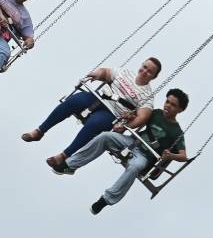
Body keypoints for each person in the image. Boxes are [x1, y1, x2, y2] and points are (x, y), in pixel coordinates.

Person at [51, 89, 189, 215]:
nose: (168, 106)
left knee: (135, 167)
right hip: (131, 142)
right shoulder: (156, 113)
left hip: (144, 156)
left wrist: (171, 155)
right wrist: (130, 117)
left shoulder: (177, 132)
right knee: (106, 136)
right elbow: (138, 117)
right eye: (167, 101)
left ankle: (106, 199)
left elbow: (183, 156)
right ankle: (70, 165)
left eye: (173, 105)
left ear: (180, 110)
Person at [21, 58, 161, 169]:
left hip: (113, 114)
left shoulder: (147, 95)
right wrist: (97, 74)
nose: (144, 71)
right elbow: (105, 72)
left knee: (95, 124)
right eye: (144, 67)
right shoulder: (125, 73)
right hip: (98, 99)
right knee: (74, 101)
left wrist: (125, 126)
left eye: (149, 71)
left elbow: (143, 116)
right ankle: (39, 131)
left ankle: (64, 155)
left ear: (153, 77)